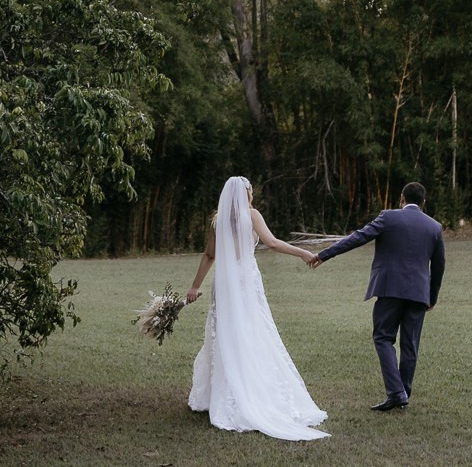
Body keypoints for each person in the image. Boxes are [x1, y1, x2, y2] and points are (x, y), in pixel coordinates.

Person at [185, 175, 329, 440]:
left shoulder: (218, 220)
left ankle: (225, 390)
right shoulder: (251, 215)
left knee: (226, 331)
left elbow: (209, 255)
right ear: (247, 193)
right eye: (250, 191)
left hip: (224, 283)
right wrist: (302, 253)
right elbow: (271, 243)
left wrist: (195, 287)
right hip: (245, 280)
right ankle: (250, 389)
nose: (252, 195)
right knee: (251, 330)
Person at [310, 181, 445, 411]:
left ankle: (397, 393)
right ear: (424, 202)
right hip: (418, 294)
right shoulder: (434, 227)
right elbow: (439, 265)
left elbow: (357, 237)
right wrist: (432, 297)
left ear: (401, 198)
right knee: (410, 345)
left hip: (390, 289)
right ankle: (403, 393)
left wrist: (325, 254)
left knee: (383, 338)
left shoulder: (388, 217)